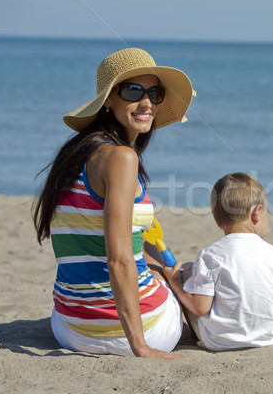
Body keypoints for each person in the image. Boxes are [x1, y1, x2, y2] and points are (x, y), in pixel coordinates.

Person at [33, 48, 195, 359]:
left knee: (156, 267)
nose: (146, 102)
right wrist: (140, 347)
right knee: (180, 279)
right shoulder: (121, 157)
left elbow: (96, 234)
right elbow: (118, 260)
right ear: (108, 99)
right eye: (133, 90)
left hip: (69, 328)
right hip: (129, 334)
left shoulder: (74, 158)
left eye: (154, 92)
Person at [165, 172, 273, 351]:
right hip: (268, 337)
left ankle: (187, 331)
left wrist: (175, 282)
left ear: (218, 221)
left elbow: (200, 308)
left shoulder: (210, 256)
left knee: (187, 270)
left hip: (218, 341)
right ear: (256, 213)